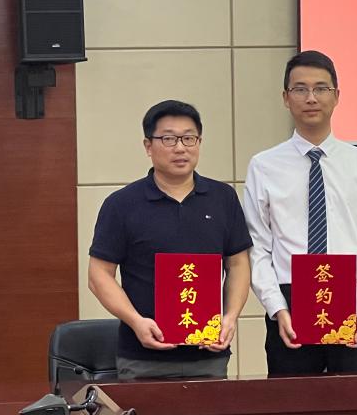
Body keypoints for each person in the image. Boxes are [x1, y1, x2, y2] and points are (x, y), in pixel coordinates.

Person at [245, 50, 357, 374]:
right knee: (294, 404)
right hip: (289, 303)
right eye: (300, 89)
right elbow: (257, 246)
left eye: (321, 88)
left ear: (336, 96)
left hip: (353, 300)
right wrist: (276, 308)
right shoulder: (264, 166)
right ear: (286, 98)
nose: (311, 98)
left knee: (354, 403)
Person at [88, 100, 252, 379]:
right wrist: (136, 322)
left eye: (189, 138)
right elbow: (98, 275)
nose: (180, 148)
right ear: (148, 146)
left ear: (199, 142)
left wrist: (231, 317)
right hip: (143, 356)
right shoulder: (122, 204)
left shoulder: (223, 198)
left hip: (209, 354)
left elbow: (237, 264)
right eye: (168, 139)